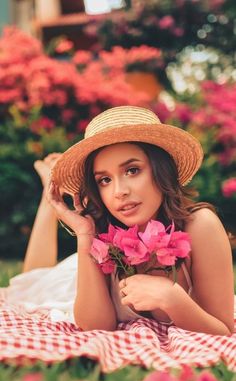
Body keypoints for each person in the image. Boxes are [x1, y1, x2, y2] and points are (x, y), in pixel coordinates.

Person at [9, 106, 235, 334]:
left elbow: (224, 330)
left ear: (161, 170)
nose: (119, 192)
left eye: (132, 170)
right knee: (31, 282)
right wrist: (84, 233)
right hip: (73, 283)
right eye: (105, 180)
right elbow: (95, 326)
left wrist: (171, 298)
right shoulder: (101, 234)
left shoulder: (200, 226)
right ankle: (46, 194)